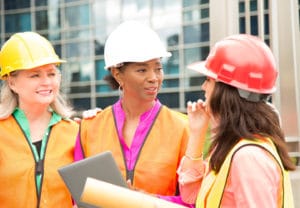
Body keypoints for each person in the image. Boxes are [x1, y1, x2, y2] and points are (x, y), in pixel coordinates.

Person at [74, 20, 190, 202]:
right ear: (117, 74)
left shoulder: (183, 129)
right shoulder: (90, 128)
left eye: (158, 68)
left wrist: (144, 202)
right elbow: (78, 198)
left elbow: (195, 201)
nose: (154, 78)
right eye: (142, 70)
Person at [177, 34, 296, 207]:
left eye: (209, 80)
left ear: (226, 92)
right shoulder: (232, 146)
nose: (203, 87)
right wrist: (197, 133)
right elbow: (192, 196)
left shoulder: (248, 157)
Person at [0, 32, 79, 207]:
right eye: (35, 75)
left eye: (51, 74)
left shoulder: (75, 131)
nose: (46, 82)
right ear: (12, 83)